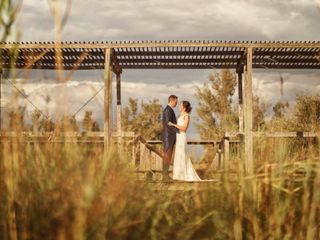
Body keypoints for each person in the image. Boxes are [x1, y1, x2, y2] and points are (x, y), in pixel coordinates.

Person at [168, 101, 202, 182]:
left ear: (184, 107)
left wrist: (173, 124)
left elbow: (184, 128)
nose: (179, 107)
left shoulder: (186, 116)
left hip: (182, 136)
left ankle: (183, 174)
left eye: (180, 106)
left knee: (182, 154)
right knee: (178, 154)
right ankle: (177, 174)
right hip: (178, 136)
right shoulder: (179, 116)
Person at [162, 95, 179, 182]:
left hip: (169, 137)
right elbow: (168, 123)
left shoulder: (169, 110)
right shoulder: (168, 110)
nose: (176, 103)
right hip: (168, 137)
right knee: (167, 156)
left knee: (168, 156)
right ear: (171, 101)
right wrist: (178, 130)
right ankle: (165, 176)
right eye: (176, 102)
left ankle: (165, 175)